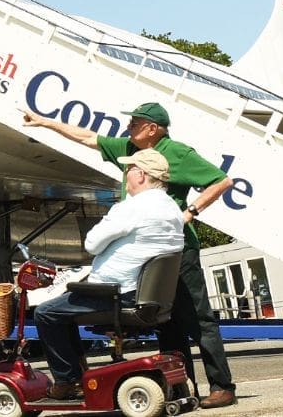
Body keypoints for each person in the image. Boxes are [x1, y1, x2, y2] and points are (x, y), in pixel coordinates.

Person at [24, 102, 239, 408]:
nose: (128, 128)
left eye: (135, 123)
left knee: (197, 320)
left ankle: (222, 385)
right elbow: (88, 138)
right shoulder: (130, 148)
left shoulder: (176, 153)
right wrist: (46, 122)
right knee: (166, 321)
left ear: (153, 128)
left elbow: (222, 181)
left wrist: (189, 212)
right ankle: (180, 386)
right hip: (147, 251)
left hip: (176, 249)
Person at [32, 149, 185, 401]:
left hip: (116, 292)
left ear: (142, 175)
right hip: (146, 294)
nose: (125, 176)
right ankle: (78, 374)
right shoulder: (172, 210)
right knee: (62, 311)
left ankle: (66, 381)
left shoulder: (131, 207)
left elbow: (91, 244)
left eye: (129, 170)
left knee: (46, 314)